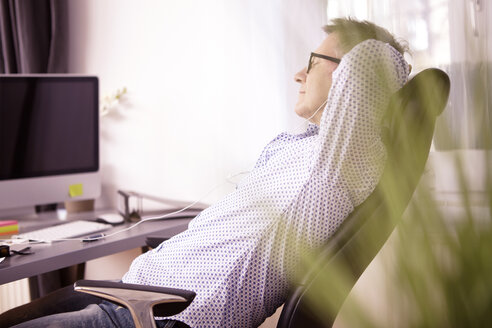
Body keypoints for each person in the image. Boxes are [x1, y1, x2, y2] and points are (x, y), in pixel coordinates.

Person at [0, 17, 410, 328]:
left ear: (351, 78)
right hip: (131, 295)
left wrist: (356, 57)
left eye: (313, 64)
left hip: (161, 317)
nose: (298, 75)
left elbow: (376, 60)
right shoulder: (303, 148)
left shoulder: (342, 163)